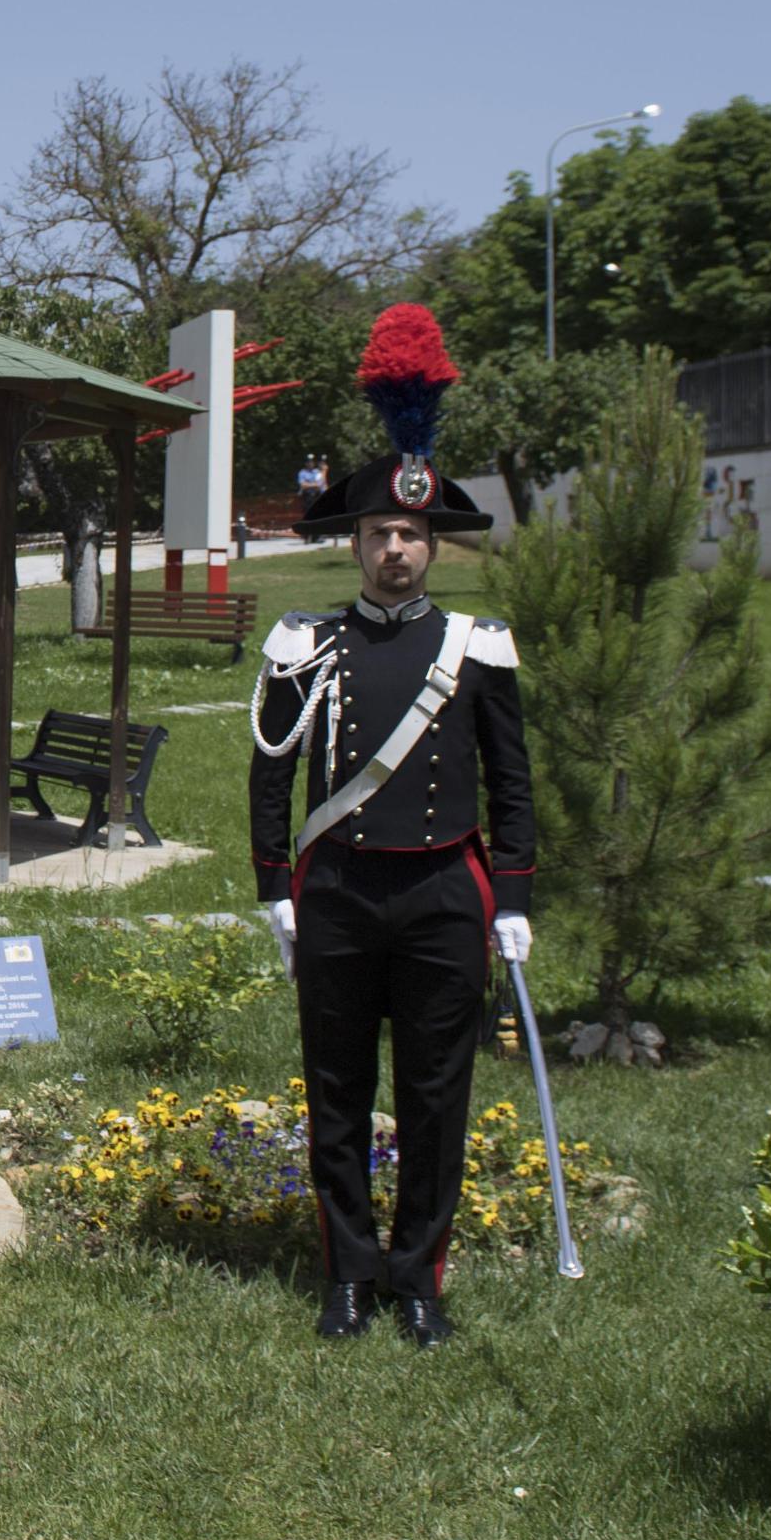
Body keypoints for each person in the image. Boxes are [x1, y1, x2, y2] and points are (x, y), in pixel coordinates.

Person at [251, 305, 534, 1346]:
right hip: (337, 892)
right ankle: (346, 1278)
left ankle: (419, 1279)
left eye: (411, 535)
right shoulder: (301, 644)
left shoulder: (479, 647)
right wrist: (273, 886)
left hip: (438, 897)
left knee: (433, 1095)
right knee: (335, 1091)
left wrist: (511, 896)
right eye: (377, 533)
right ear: (353, 543)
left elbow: (512, 780)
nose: (394, 551)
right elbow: (265, 775)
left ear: (433, 545)